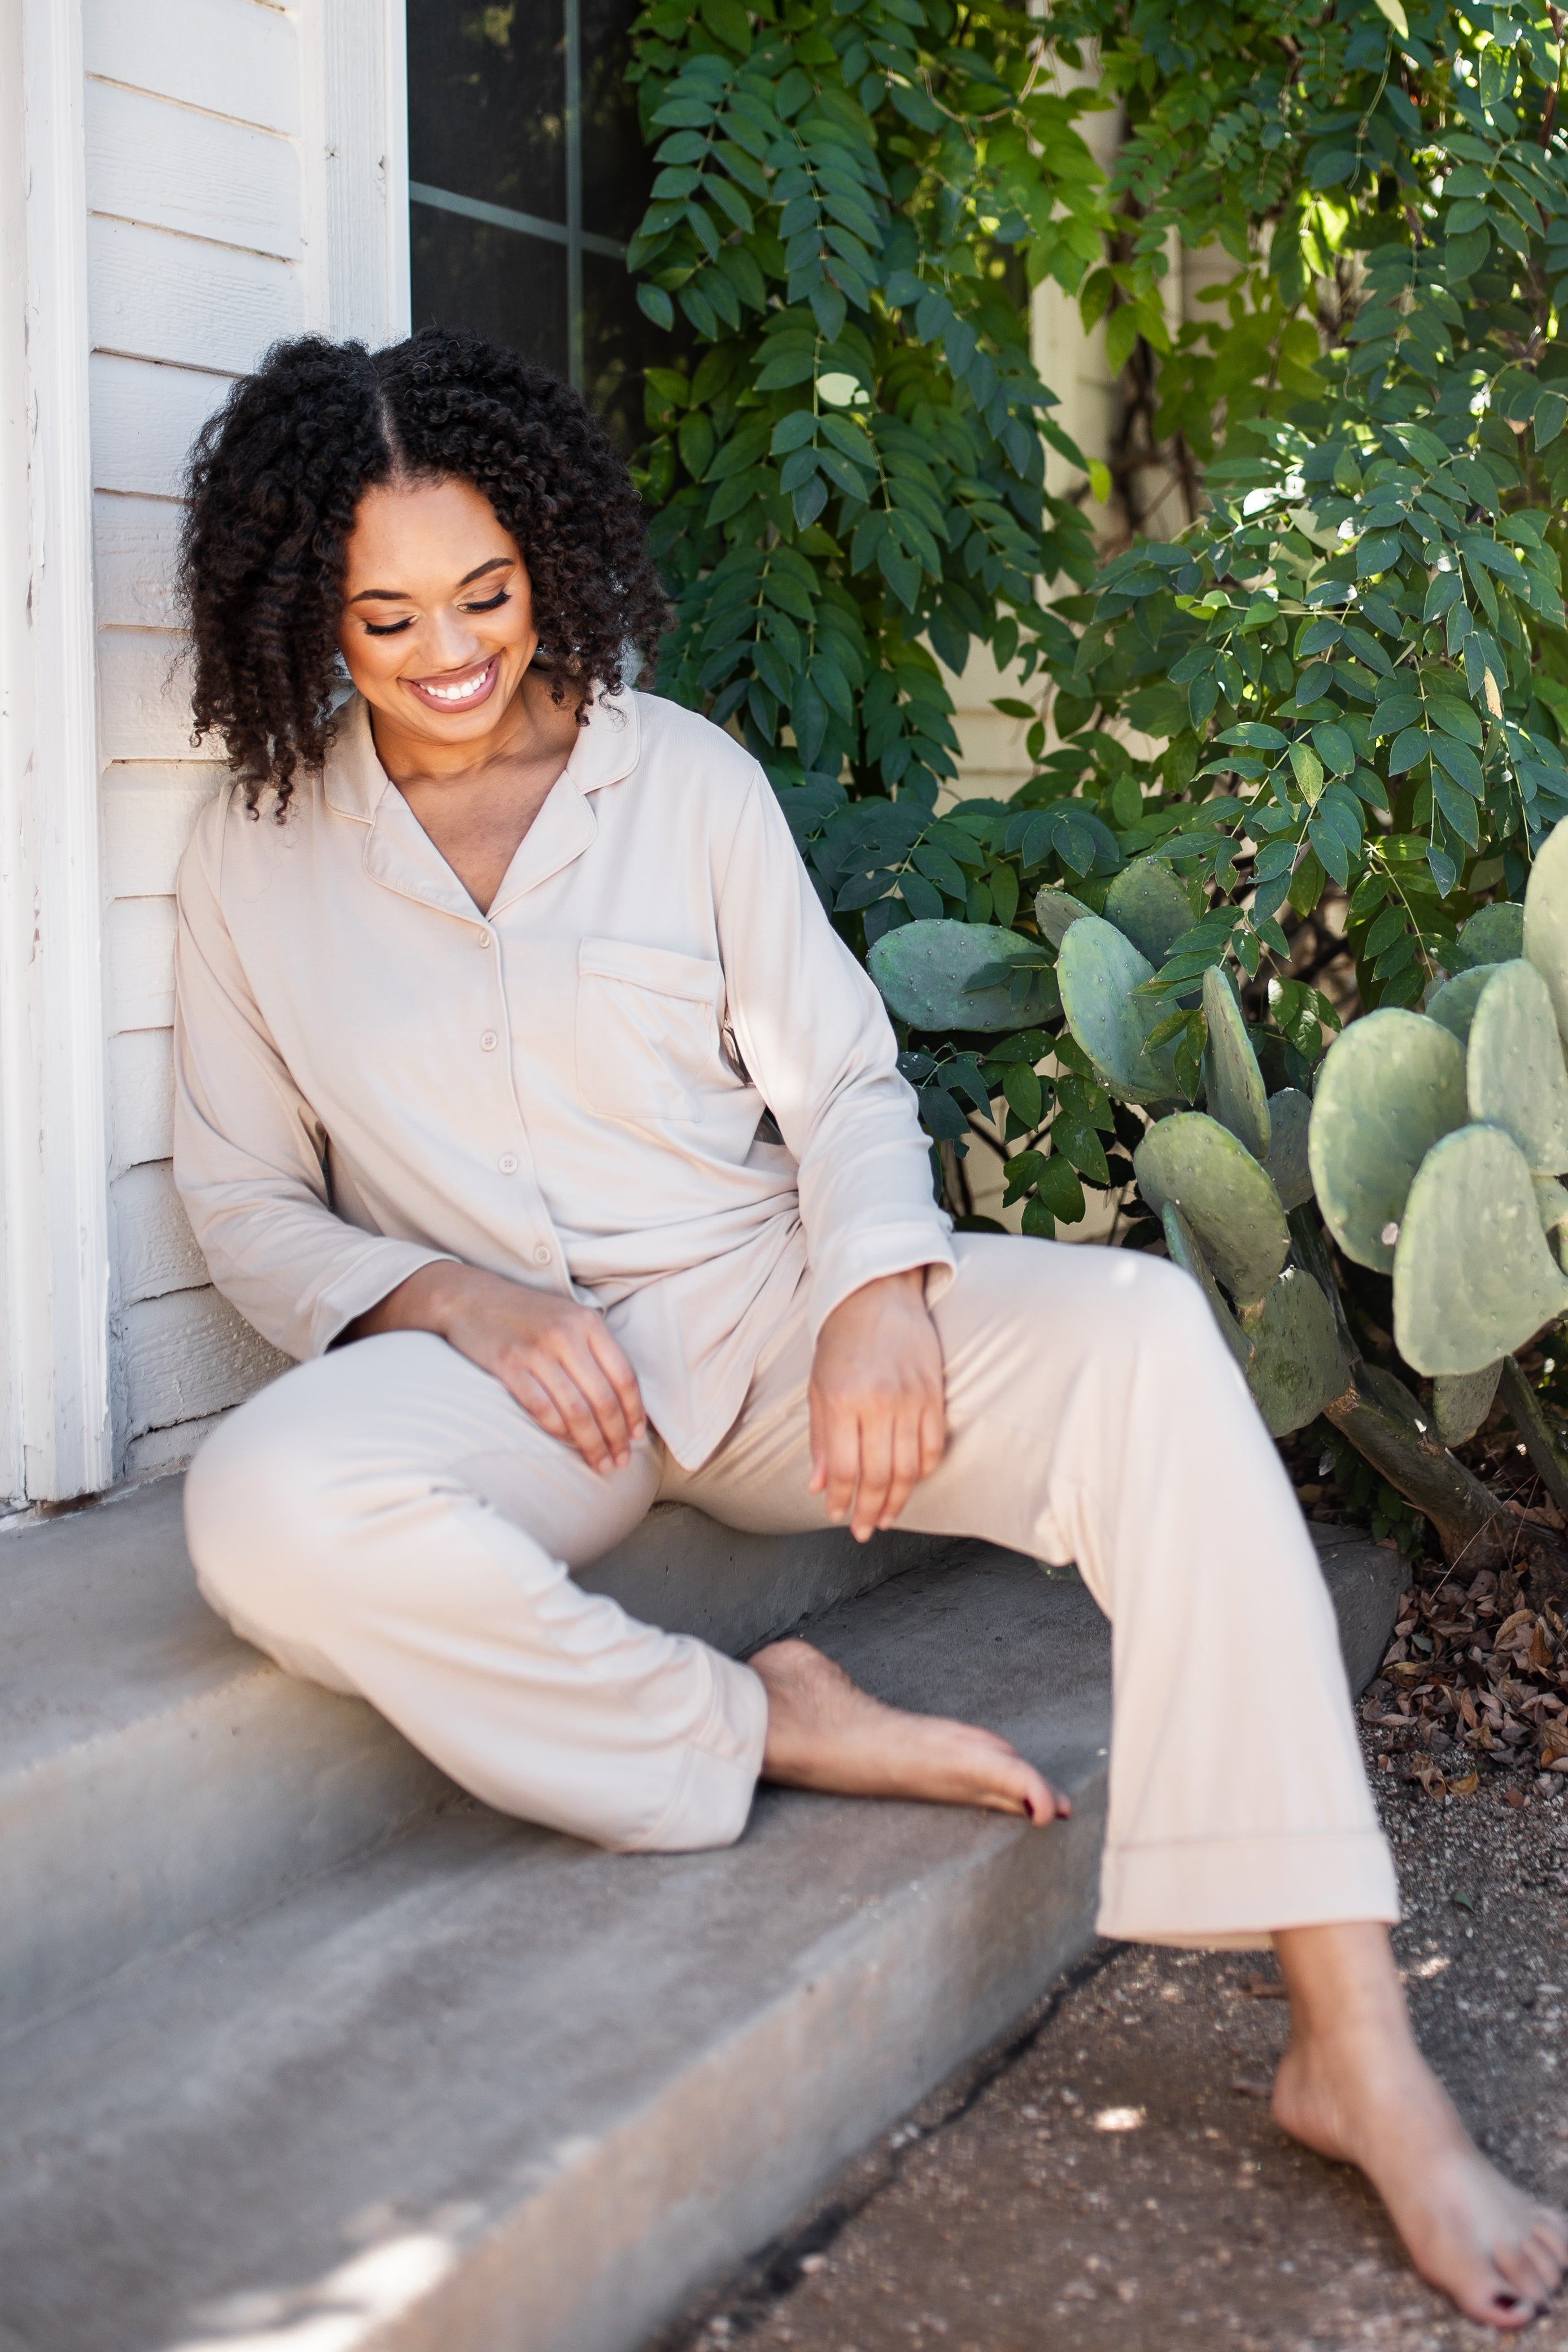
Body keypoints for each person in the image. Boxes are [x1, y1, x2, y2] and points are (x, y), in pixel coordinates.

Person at [172, 325, 1563, 2328]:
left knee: (1152, 1351)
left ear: (544, 558)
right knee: (265, 1505)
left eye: (482, 593)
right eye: (384, 617)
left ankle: (1350, 2043)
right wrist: (448, 1296)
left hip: (760, 1329)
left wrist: (881, 1294)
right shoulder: (257, 848)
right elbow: (236, 1196)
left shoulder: (682, 785)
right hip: (516, 1390)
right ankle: (758, 1727)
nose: (447, 651)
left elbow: (831, 1087)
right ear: (310, 607)